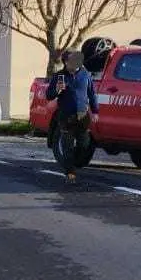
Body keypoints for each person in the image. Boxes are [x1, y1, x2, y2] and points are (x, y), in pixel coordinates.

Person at [46, 50, 99, 182]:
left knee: (84, 144)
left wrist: (95, 111)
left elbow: (92, 94)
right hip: (66, 115)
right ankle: (70, 173)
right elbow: (49, 95)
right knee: (67, 145)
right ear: (66, 62)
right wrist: (57, 90)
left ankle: (72, 162)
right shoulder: (59, 76)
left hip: (82, 114)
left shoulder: (85, 75)